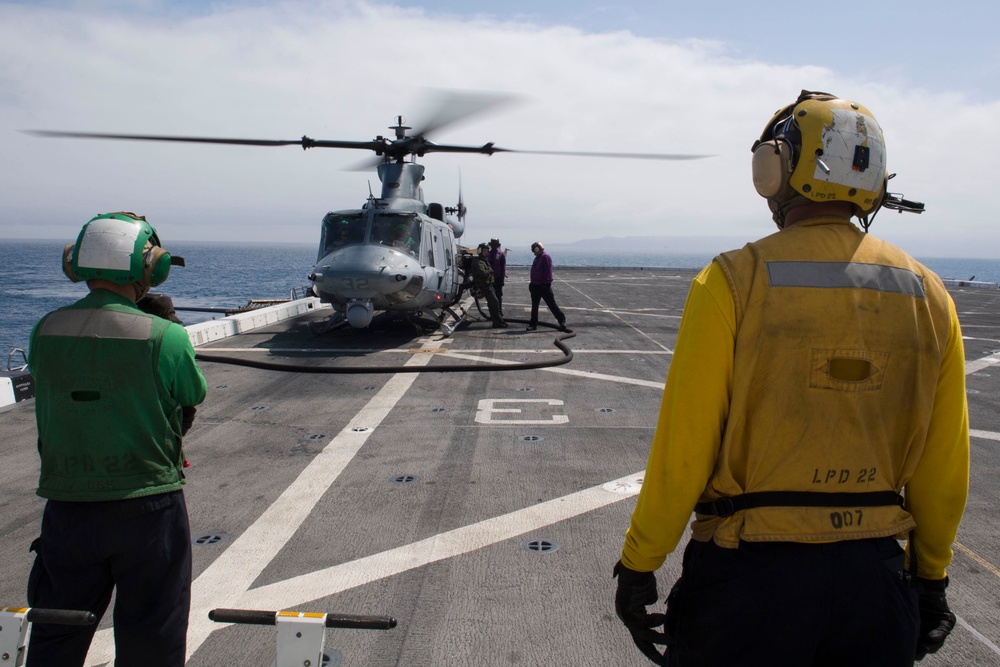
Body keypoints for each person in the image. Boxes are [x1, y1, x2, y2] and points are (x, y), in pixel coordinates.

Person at [614, 91, 969, 666]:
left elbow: (684, 450)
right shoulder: (929, 294)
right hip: (874, 581)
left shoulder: (733, 279)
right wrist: (932, 578)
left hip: (747, 577)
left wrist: (640, 564)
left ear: (775, 169)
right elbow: (943, 467)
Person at [26, 212, 208, 667]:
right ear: (152, 266)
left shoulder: (44, 331)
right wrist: (168, 328)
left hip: (67, 506)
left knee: (57, 631)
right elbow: (193, 393)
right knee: (152, 633)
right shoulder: (164, 337)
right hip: (148, 507)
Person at [526, 241, 568, 332]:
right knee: (534, 306)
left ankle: (562, 320)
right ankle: (533, 324)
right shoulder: (537, 258)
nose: (533, 252)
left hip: (543, 286)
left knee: (552, 305)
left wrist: (545, 284)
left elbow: (548, 273)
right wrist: (532, 284)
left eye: (534, 250)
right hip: (535, 286)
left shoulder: (545, 257)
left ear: (537, 249)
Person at [472, 242, 507, 328]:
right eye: (484, 251)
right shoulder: (479, 262)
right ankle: (499, 322)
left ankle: (496, 322)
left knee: (492, 304)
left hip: (488, 285)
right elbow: (482, 273)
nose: (486, 252)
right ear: (480, 251)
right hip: (485, 286)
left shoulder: (484, 261)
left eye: (487, 251)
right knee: (495, 303)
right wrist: (490, 271)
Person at [488, 238, 507, 315]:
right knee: (490, 297)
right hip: (489, 278)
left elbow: (503, 267)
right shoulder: (488, 254)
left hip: (498, 278)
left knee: (498, 296)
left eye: (495, 244)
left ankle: (499, 311)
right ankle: (492, 312)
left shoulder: (501, 254)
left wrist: (502, 278)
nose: (494, 246)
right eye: (493, 244)